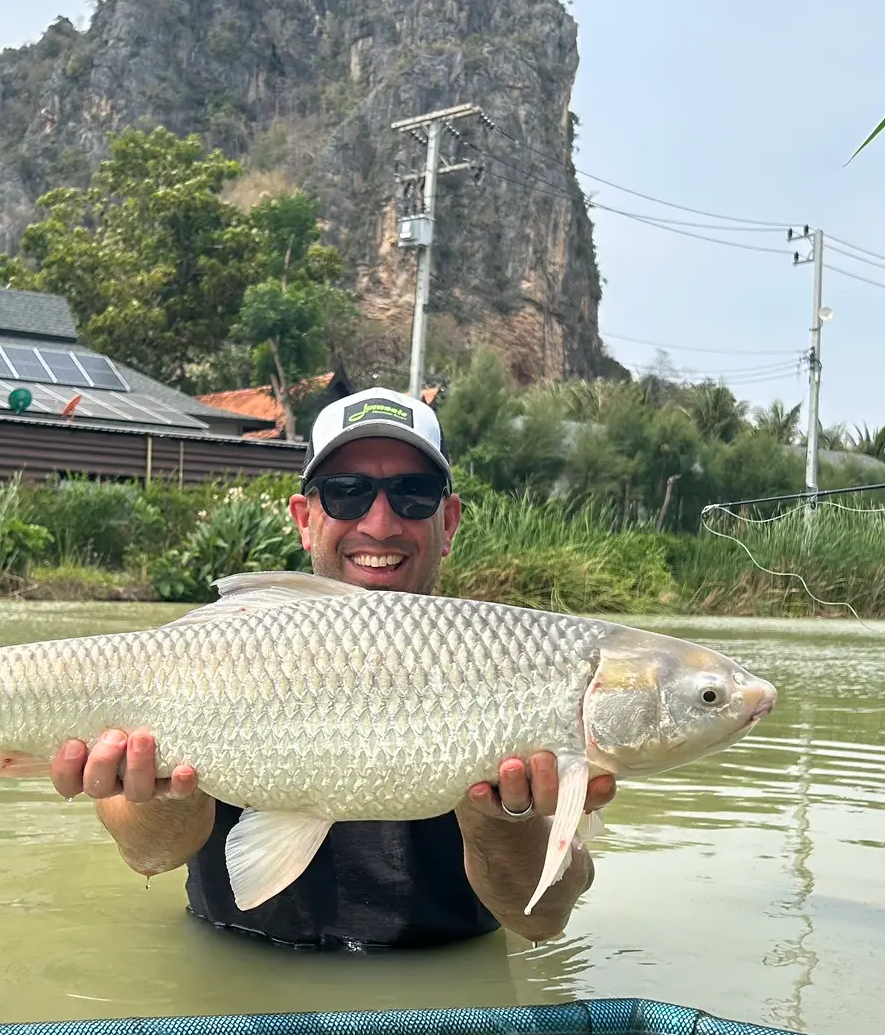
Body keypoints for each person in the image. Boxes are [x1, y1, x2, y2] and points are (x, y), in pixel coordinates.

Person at [50, 386, 615, 948]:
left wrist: (502, 818)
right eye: (346, 493)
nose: (380, 522)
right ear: (304, 517)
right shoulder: (217, 647)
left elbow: (541, 921)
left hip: (439, 1005)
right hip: (238, 990)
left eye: (412, 494)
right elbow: (149, 855)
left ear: (449, 520)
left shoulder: (518, 660)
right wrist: (170, 791)